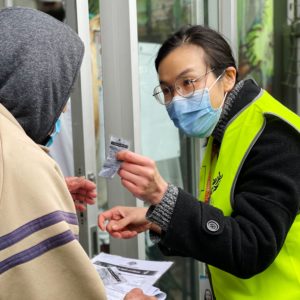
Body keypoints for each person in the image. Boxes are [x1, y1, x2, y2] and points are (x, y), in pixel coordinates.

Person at [99, 25, 300, 299]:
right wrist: (156, 219)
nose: (177, 99)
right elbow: (224, 228)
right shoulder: (223, 132)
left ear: (228, 77)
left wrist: (162, 196)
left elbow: (251, 248)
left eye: (188, 82)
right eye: (167, 90)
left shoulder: (274, 134)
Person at [0, 7, 154, 300]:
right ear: (35, 85)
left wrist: (36, 198)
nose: (65, 109)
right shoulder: (20, 161)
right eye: (62, 95)